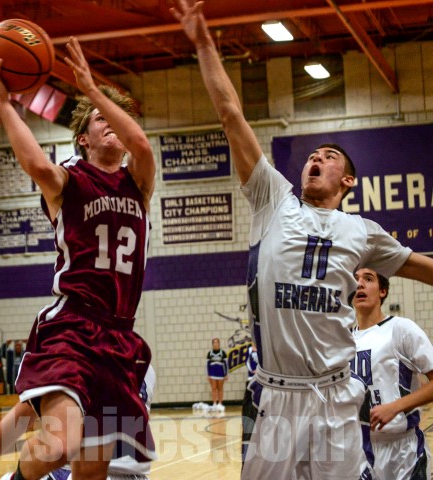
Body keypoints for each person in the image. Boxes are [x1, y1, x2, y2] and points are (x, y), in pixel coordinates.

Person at [171, 1, 433, 478]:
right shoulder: (273, 199)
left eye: (329, 156)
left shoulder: (363, 232)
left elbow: (423, 267)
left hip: (335, 395)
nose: (316, 158)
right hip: (276, 394)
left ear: (348, 181)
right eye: (312, 154)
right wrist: (204, 43)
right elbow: (230, 115)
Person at [0, 33, 156, 480]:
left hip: (119, 336)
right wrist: (3, 104)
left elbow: (142, 145)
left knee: (92, 472)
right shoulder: (70, 181)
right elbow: (37, 165)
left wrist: (95, 91)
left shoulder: (138, 183)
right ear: (83, 139)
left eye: (115, 117)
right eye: (99, 118)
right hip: (74, 325)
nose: (111, 123)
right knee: (60, 444)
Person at [0, 365, 156, 480]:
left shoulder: (73, 359)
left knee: (38, 452)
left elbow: (20, 419)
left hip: (85, 472)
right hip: (135, 475)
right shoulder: (145, 365)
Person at [351, 268, 433, 480]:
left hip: (403, 451)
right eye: (355, 279)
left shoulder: (400, 329)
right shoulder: (343, 341)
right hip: (360, 450)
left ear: (383, 291)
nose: (359, 284)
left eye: (368, 279)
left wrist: (395, 407)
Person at [206, 337, 228, 412]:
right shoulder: (210, 353)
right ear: (212, 344)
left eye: (217, 342)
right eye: (214, 342)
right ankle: (214, 403)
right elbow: (207, 365)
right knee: (214, 388)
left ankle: (220, 403)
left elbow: (226, 364)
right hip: (212, 373)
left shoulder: (223, 353)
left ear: (219, 343)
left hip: (221, 373)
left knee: (220, 388)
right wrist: (208, 375)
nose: (215, 344)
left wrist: (226, 374)